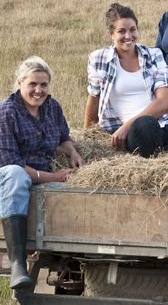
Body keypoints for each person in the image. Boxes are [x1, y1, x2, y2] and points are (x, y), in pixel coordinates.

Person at [0, 56, 85, 289]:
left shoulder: (52, 106)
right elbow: (11, 162)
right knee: (16, 174)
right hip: (8, 180)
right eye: (32, 84)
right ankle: (18, 263)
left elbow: (62, 138)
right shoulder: (7, 112)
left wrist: (73, 153)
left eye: (44, 85)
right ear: (20, 83)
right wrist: (54, 177)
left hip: (41, 176)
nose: (39, 90)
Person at [84, 3, 168, 158]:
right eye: (121, 31)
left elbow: (165, 102)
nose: (128, 36)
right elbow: (94, 100)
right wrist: (86, 139)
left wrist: (126, 126)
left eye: (132, 29)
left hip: (167, 123)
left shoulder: (154, 55)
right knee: (145, 125)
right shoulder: (99, 59)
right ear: (111, 34)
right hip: (139, 131)